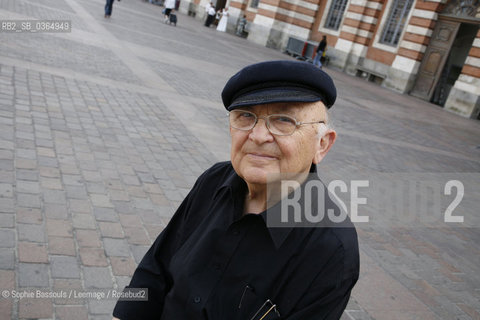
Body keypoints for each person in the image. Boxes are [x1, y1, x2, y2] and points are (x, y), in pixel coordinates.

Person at [112, 60, 359, 320]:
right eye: (246, 116)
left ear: (322, 145)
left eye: (284, 120)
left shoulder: (331, 249)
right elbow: (155, 268)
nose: (258, 135)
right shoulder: (214, 179)